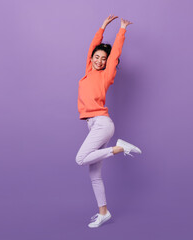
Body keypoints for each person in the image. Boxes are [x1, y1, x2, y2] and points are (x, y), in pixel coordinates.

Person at [75, 15, 142, 228]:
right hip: (94, 124)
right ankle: (103, 212)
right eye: (97, 56)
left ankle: (119, 148)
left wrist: (122, 30)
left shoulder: (106, 75)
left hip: (102, 123)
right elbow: (93, 46)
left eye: (103, 58)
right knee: (94, 174)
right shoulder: (88, 71)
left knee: (80, 159)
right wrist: (102, 27)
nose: (99, 60)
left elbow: (114, 56)